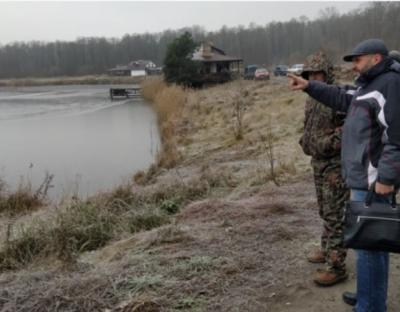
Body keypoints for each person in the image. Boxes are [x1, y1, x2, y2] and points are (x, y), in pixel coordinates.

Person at [288, 38, 400, 312]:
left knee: (369, 247)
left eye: (357, 60)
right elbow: (341, 96)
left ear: (376, 58)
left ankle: (370, 306)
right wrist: (310, 86)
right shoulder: (368, 86)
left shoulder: (389, 85)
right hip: (364, 179)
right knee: (372, 244)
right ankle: (367, 295)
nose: (353, 65)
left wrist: (386, 178)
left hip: (375, 182)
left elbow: (395, 137)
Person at [299, 51, 349, 286]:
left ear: (327, 74)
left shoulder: (338, 96)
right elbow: (310, 125)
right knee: (324, 211)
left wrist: (326, 144)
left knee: (334, 215)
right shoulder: (312, 98)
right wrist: (305, 140)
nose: (314, 77)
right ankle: (327, 250)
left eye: (318, 73)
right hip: (317, 162)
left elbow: (348, 130)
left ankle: (336, 266)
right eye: (310, 73)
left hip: (334, 164)